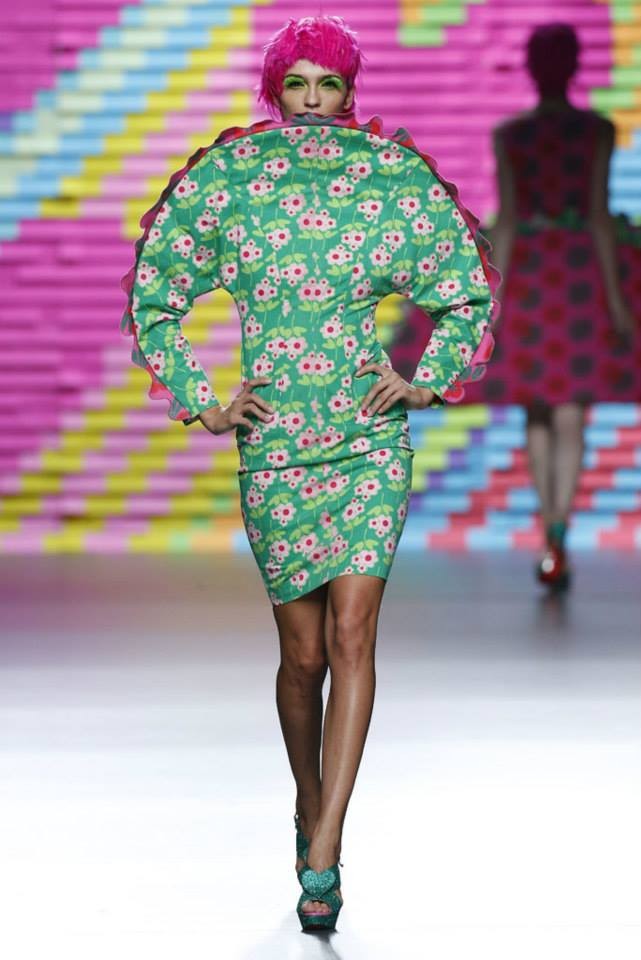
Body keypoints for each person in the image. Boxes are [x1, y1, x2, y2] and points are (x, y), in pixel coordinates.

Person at [121, 15, 497, 931]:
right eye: (297, 83)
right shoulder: (230, 179)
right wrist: (205, 401)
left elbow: (464, 288)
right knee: (302, 659)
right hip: (277, 444)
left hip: (367, 442)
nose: (314, 100)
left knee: (353, 637)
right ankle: (306, 797)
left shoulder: (388, 175)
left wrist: (423, 381)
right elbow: (156, 293)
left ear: (351, 90)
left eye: (329, 83)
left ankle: (325, 846)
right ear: (273, 90)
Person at [461, 23, 639, 590]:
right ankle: (557, 530)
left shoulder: (513, 135)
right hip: (579, 274)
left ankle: (550, 531)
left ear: (533, 68)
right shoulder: (595, 130)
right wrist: (616, 303)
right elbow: (597, 215)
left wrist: (495, 299)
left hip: (535, 276)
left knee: (539, 407)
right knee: (567, 410)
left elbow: (510, 220)